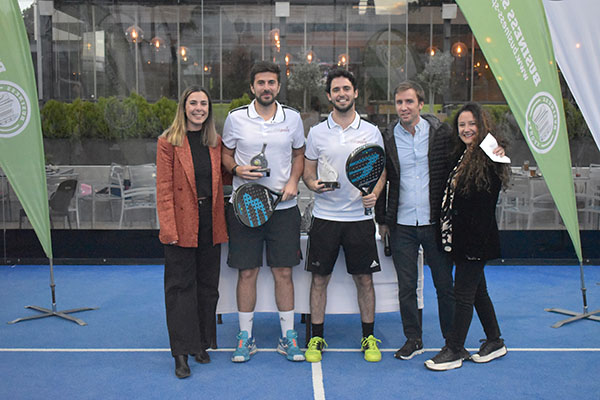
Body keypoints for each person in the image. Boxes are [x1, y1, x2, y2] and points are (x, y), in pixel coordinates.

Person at [221, 61, 306, 363]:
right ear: (252, 87)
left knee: (284, 272)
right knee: (248, 272)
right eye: (261, 83)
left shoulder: (293, 118)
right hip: (246, 207)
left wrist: (294, 181)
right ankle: (245, 338)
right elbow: (225, 154)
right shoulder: (235, 118)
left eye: (271, 82)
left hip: (283, 209)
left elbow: (299, 154)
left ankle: (288, 337)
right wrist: (236, 169)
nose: (266, 88)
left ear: (278, 86)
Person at [302, 68, 386, 363]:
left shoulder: (371, 131)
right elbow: (307, 172)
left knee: (364, 280)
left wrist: (374, 194)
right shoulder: (317, 132)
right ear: (329, 96)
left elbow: (380, 170)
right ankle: (316, 337)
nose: (342, 94)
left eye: (346, 88)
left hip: (359, 219)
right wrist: (313, 185)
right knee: (319, 279)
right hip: (325, 218)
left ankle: (368, 337)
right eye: (336, 89)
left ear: (355, 93)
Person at [375, 81, 457, 361]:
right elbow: (381, 179)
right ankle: (413, 339)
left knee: (444, 285)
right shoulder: (387, 137)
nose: (404, 107)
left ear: (421, 104)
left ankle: (452, 342)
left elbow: (460, 160)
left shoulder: (441, 133)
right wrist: (382, 219)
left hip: (435, 224)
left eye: (409, 102)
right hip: (402, 225)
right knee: (407, 287)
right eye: (399, 102)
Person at [424, 102, 510, 371]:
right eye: (462, 125)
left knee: (462, 295)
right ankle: (495, 341)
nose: (466, 129)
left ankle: (454, 349)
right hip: (459, 239)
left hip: (476, 241)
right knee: (478, 292)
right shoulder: (461, 154)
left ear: (482, 126)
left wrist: (499, 149)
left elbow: (484, 204)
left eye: (472, 124)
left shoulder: (491, 155)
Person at [156, 86, 228, 379]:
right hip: (181, 224)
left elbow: (225, 175)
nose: (199, 108)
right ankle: (181, 354)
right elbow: (163, 190)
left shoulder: (215, 142)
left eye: (204, 104)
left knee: (208, 287)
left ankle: (201, 344)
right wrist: (169, 229)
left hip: (211, 222)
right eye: (193, 103)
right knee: (180, 290)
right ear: (183, 107)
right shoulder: (167, 142)